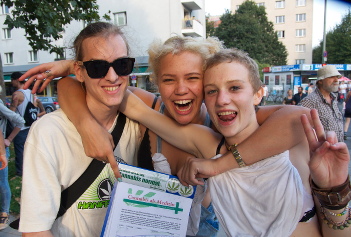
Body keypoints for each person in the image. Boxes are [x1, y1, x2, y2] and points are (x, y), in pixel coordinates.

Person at [19, 34, 314, 236]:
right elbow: (85, 86)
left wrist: (219, 164)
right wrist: (86, 121)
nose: (181, 89)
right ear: (157, 83)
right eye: (169, 80)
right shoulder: (146, 107)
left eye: (194, 79)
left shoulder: (226, 118)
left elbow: (296, 118)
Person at [119, 48, 351, 236]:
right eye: (211, 91)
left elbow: (297, 115)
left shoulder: (293, 142)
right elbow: (133, 107)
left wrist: (335, 192)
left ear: (258, 94)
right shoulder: (205, 141)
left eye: (235, 88)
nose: (222, 100)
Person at [18, 22, 142, 237]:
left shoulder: (139, 125)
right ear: (80, 71)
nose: (112, 76)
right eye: (97, 67)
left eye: (122, 64)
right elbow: (35, 230)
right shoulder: (49, 132)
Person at [0, 85, 25, 230]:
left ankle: (5, 212)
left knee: (2, 182)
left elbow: (20, 121)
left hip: (1, 150)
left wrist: (8, 139)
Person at [299, 65, 344, 142]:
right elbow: (298, 128)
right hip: (323, 151)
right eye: (331, 77)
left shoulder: (334, 98)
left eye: (337, 77)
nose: (336, 80)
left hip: (337, 150)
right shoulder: (309, 101)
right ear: (320, 81)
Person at [9, 71, 36, 176]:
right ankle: (31, 168)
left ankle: (20, 172)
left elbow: (11, 112)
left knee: (19, 150)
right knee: (29, 149)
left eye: (12, 80)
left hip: (20, 127)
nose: (11, 82)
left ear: (16, 80)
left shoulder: (16, 94)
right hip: (31, 125)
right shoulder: (31, 92)